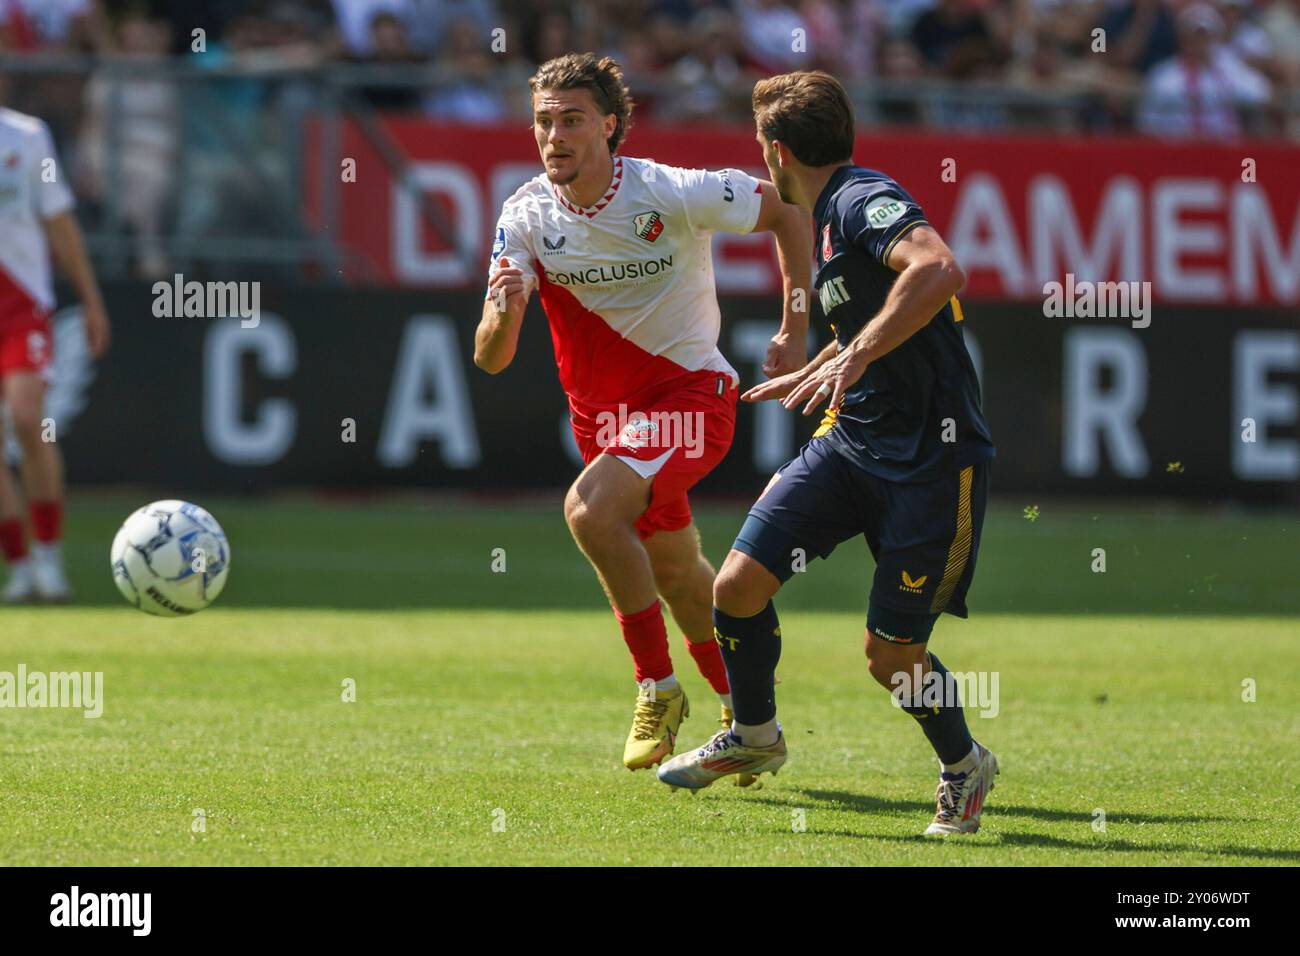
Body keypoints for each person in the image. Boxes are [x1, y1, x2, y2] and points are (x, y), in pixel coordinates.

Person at [658, 71, 1000, 836]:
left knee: (891, 656)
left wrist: (852, 356)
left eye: (759, 150)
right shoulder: (831, 220)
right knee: (737, 586)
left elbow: (939, 269)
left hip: (932, 464)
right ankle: (755, 738)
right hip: (851, 443)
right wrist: (826, 363)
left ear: (777, 152)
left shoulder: (856, 198)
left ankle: (964, 764)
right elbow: (878, 321)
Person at [474, 53, 812, 773]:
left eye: (571, 120)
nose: (554, 136)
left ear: (609, 125)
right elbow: (491, 358)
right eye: (543, 121)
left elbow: (787, 209)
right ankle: (751, 724)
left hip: (693, 400)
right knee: (681, 576)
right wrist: (504, 313)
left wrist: (796, 326)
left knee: (592, 512)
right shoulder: (525, 215)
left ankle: (657, 687)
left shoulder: (670, 191)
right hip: (607, 424)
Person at [0, 105, 110, 603]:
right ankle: (19, 566)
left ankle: (49, 555)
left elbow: (59, 220)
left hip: (22, 306)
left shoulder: (27, 136)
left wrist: (91, 300)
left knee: (28, 417)